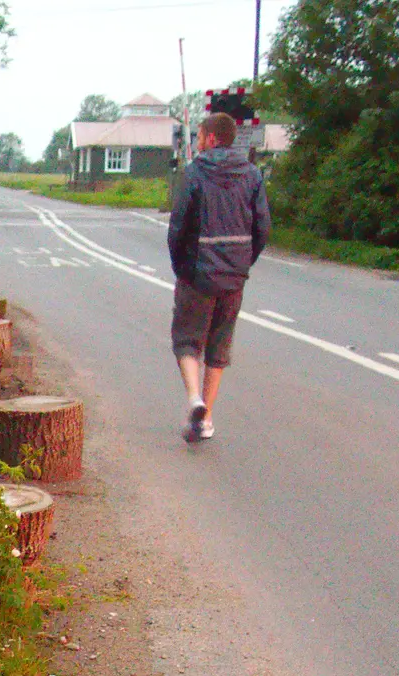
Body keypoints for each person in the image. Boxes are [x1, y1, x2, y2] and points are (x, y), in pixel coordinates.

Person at [167, 111, 272, 443]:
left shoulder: (194, 173)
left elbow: (178, 228)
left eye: (199, 135)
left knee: (186, 339)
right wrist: (244, 262)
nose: (197, 141)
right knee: (219, 345)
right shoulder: (253, 175)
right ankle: (207, 419)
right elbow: (263, 227)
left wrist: (182, 268)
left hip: (198, 273)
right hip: (234, 275)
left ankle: (194, 398)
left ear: (212, 138)